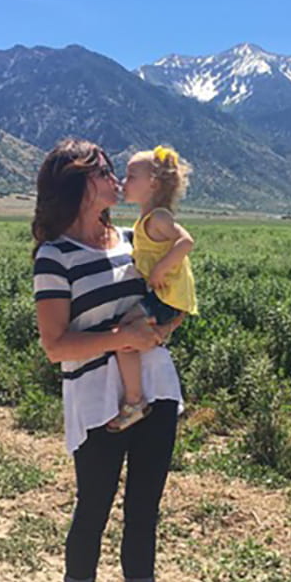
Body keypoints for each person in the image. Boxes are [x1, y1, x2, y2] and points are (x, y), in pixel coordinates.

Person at [32, 138, 187, 582]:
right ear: (78, 183)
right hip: (97, 403)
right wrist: (121, 337)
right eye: (103, 171)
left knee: (144, 510)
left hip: (156, 391)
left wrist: (162, 328)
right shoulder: (55, 255)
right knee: (93, 508)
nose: (115, 180)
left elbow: (163, 297)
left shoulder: (129, 240)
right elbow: (56, 344)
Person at [106, 145, 197, 432]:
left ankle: (134, 401)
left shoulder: (159, 217)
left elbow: (186, 242)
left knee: (124, 334)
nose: (123, 182)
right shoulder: (146, 220)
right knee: (133, 331)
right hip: (165, 296)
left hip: (167, 296)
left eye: (132, 176)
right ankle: (157, 337)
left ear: (153, 184)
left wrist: (160, 269)